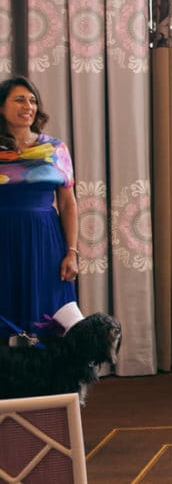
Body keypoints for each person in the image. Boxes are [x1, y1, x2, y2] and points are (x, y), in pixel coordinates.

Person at [0, 76, 83, 344]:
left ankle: (55, 385)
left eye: (33, 100)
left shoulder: (55, 148)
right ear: (1, 107)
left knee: (51, 318)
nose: (28, 106)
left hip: (46, 241)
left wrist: (71, 252)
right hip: (4, 238)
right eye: (19, 99)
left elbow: (68, 203)